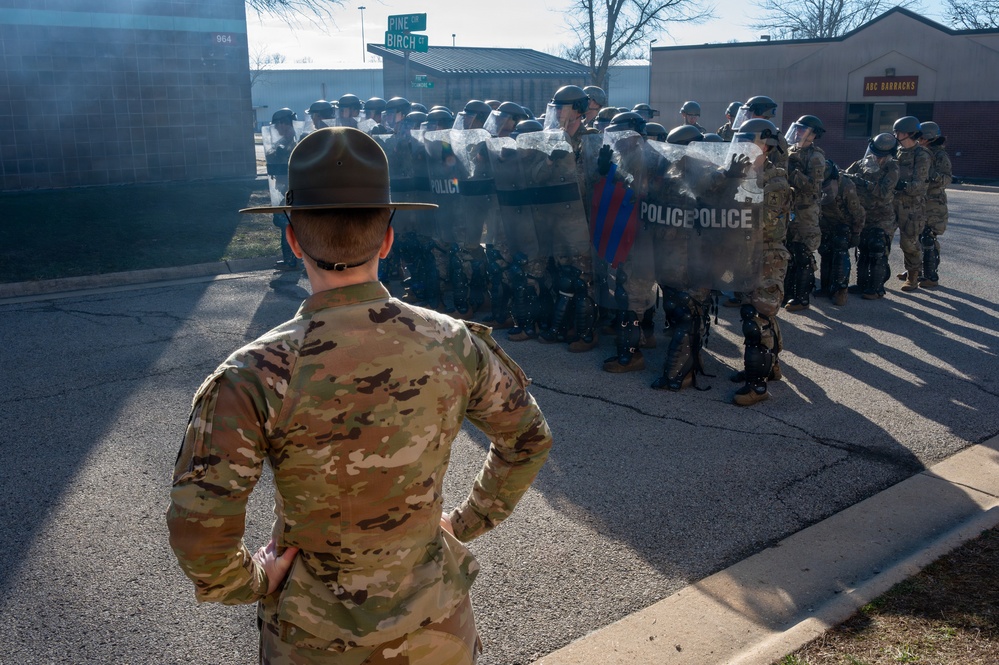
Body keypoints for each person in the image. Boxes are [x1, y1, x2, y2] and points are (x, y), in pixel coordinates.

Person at [167, 127, 553, 665]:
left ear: (293, 239)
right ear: (388, 238)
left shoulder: (254, 373)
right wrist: (464, 521)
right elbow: (528, 440)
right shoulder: (454, 343)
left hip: (314, 643)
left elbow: (200, 525)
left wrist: (251, 580)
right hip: (437, 633)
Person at [726, 118, 791, 406]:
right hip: (745, 254)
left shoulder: (775, 180)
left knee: (757, 318)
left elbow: (760, 220)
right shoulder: (741, 174)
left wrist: (739, 183)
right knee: (759, 314)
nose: (741, 148)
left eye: (748, 142)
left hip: (767, 255)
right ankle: (770, 367)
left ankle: (757, 385)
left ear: (766, 145)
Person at [843, 133, 900, 300]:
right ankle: (862, 284)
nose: (876, 157)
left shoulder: (892, 168)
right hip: (864, 215)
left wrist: (863, 183)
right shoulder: (862, 164)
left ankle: (876, 288)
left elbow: (883, 192)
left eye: (880, 155)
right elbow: (845, 176)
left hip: (882, 217)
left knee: (877, 249)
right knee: (863, 249)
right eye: (874, 153)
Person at [782, 115, 826, 312]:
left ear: (813, 134)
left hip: (806, 212)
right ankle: (788, 294)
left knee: (803, 253)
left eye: (803, 129)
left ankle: (802, 298)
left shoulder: (816, 156)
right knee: (789, 251)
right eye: (797, 128)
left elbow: (812, 187)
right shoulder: (791, 151)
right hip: (790, 209)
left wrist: (793, 172)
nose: (798, 132)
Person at [816, 160, 865, 306]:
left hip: (844, 223)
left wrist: (856, 233)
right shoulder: (816, 182)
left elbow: (858, 213)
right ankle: (826, 287)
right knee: (825, 251)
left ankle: (840, 292)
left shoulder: (845, 185)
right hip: (826, 222)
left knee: (840, 250)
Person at [892, 115, 931, 292]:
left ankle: (913, 276)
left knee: (909, 242)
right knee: (881, 236)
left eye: (898, 132)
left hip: (912, 207)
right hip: (892, 203)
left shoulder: (921, 155)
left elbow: (920, 185)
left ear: (908, 133)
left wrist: (902, 185)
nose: (895, 135)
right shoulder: (897, 152)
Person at [263, 108, 304, 271]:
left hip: (290, 190)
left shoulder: (291, 142)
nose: (277, 129)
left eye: (278, 125)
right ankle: (291, 258)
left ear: (284, 124)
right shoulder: (287, 141)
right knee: (285, 223)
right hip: (285, 188)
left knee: (286, 223)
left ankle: (291, 260)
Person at [917, 121, 952, 287]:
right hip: (918, 201)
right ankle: (916, 270)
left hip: (933, 204)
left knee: (928, 237)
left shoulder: (939, 155)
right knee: (915, 235)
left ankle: (930, 275)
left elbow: (946, 178)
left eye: (919, 137)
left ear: (928, 138)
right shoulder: (919, 153)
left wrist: (929, 174)